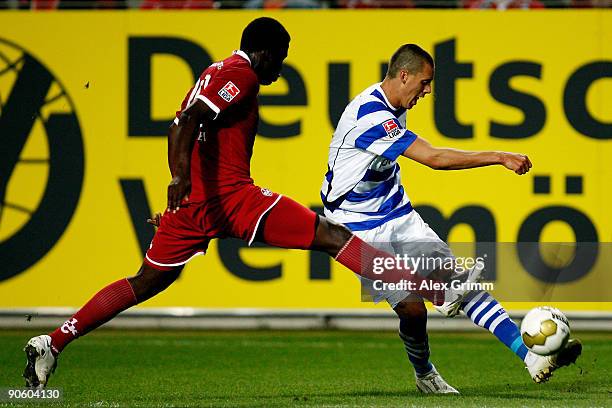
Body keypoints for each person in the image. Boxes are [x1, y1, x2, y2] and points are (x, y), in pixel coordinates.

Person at [22, 18, 468, 389]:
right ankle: (431, 287)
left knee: (145, 283)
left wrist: (182, 186)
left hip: (195, 207)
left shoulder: (215, 72)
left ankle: (54, 342)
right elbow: (189, 121)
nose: (282, 66)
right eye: (283, 56)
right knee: (333, 235)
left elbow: (181, 122)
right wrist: (179, 177)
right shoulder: (242, 75)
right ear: (266, 52)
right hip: (232, 197)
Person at [320, 44, 582, 393]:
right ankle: (425, 370)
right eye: (425, 82)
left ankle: (530, 355)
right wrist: (498, 156)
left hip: (396, 211)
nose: (427, 91)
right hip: (355, 228)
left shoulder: (394, 107)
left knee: (463, 286)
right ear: (403, 75)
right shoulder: (370, 115)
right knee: (413, 311)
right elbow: (434, 158)